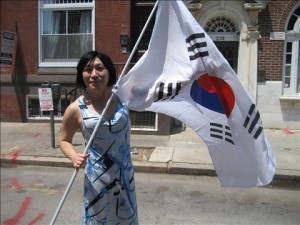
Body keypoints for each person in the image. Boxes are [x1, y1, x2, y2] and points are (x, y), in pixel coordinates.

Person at [59, 50, 139, 224]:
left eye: (100, 68)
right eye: (88, 70)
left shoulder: (123, 98)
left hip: (124, 177)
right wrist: (74, 156)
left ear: (109, 71)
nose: (94, 74)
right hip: (96, 181)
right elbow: (64, 140)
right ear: (82, 75)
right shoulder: (75, 109)